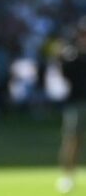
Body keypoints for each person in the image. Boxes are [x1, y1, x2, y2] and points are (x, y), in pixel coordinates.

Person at [57, 21, 86, 193]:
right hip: (77, 103)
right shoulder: (73, 55)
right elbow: (66, 74)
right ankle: (68, 176)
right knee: (72, 140)